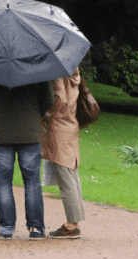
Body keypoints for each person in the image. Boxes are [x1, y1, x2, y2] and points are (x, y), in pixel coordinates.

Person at [0, 78, 55, 240]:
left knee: (3, 182)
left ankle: (6, 228)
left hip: (0, 130)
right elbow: (48, 99)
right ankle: (35, 227)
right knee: (32, 181)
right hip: (30, 130)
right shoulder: (35, 65)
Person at [41, 69, 85, 239]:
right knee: (72, 175)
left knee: (66, 177)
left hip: (60, 127)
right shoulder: (73, 72)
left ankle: (72, 225)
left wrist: (45, 114)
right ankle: (75, 221)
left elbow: (59, 102)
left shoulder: (58, 74)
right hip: (70, 124)